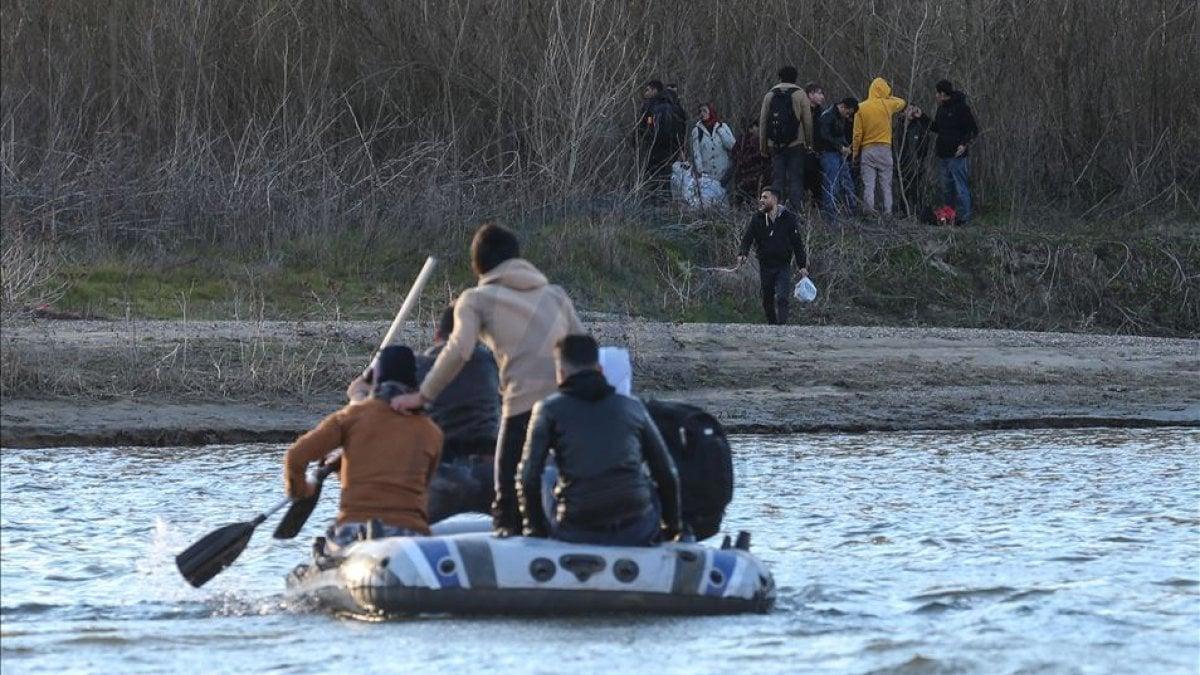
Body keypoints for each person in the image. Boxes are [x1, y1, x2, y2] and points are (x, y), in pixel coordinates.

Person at [390, 223, 585, 536]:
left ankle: (513, 531)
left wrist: (422, 396)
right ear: (519, 259)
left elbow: (458, 350)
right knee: (553, 480)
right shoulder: (556, 295)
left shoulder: (476, 299)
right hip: (568, 406)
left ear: (476, 265)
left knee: (507, 488)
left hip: (522, 407)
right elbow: (583, 349)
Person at [517, 335, 682, 546]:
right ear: (600, 370)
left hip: (576, 529)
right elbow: (667, 473)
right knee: (642, 478)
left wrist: (535, 532)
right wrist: (673, 529)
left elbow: (528, 477)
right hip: (638, 529)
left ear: (560, 374)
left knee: (548, 473)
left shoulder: (548, 410)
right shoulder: (633, 407)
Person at [285, 345, 442, 548]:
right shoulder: (431, 432)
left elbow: (295, 457)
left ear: (374, 378)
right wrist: (344, 462)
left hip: (354, 528)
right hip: (411, 533)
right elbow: (420, 485)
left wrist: (301, 491)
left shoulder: (351, 418)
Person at [418, 304, 501, 521]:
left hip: (441, 475)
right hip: (490, 472)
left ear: (437, 334)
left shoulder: (419, 366)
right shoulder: (491, 364)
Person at [737, 187, 809, 325]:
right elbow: (747, 238)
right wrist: (742, 253)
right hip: (765, 265)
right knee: (767, 299)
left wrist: (802, 265)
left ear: (774, 199)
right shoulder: (757, 219)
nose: (761, 200)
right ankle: (772, 325)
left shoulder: (788, 218)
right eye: (761, 197)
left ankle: (782, 327)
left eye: (765, 197)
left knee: (782, 297)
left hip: (783, 265)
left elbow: (797, 243)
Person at [758, 66, 814, 209]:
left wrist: (763, 147)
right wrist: (809, 143)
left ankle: (775, 210)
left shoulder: (769, 95)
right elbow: (808, 121)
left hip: (775, 144)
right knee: (795, 179)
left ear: (780, 77)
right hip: (796, 143)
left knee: (777, 179)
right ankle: (795, 213)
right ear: (795, 77)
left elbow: (763, 122)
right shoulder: (800, 94)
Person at [851, 77, 906, 219]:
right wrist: (887, 96)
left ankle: (869, 213)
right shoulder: (887, 105)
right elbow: (902, 102)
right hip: (885, 149)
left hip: (868, 150)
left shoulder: (861, 107)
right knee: (886, 185)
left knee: (869, 185)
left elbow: (857, 134)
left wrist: (855, 153)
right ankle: (888, 213)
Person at [931, 79, 979, 225]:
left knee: (960, 187)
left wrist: (964, 144)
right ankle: (949, 216)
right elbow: (936, 128)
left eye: (938, 94)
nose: (936, 96)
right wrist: (922, 117)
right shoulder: (941, 109)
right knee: (947, 188)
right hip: (943, 154)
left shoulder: (962, 108)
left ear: (944, 94)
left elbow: (972, 130)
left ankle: (965, 217)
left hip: (957, 156)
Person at [635, 80, 687, 199]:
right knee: (667, 177)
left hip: (656, 147)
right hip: (672, 148)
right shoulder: (676, 108)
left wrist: (644, 138)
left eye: (648, 90)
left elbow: (648, 125)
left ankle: (654, 204)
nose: (645, 93)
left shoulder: (653, 107)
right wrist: (681, 148)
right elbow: (682, 129)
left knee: (654, 177)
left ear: (655, 90)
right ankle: (665, 204)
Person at [816, 97, 859, 225]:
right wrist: (840, 147)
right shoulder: (827, 116)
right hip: (828, 154)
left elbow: (840, 135)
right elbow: (824, 136)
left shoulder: (840, 118)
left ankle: (852, 212)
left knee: (847, 182)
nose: (848, 116)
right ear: (843, 107)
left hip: (839, 154)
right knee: (831, 184)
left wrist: (846, 147)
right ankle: (830, 218)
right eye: (848, 112)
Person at [896, 105, 933, 218]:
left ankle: (918, 213)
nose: (911, 112)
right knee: (903, 190)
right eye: (909, 109)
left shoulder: (919, 127)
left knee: (916, 190)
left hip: (915, 165)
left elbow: (925, 143)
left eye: (913, 109)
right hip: (901, 164)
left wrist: (919, 160)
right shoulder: (898, 128)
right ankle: (902, 213)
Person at [689, 102, 736, 186]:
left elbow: (732, 146)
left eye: (704, 111)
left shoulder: (722, 127)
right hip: (707, 176)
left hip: (724, 174)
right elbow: (696, 153)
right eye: (700, 111)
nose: (702, 114)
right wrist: (700, 172)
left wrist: (720, 131)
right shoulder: (697, 130)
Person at [732, 118, 771, 206]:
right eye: (755, 127)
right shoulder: (743, 141)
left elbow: (765, 158)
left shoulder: (762, 140)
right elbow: (735, 154)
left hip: (758, 176)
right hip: (746, 175)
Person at [803, 82, 827, 207]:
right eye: (819, 93)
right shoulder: (800, 111)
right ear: (810, 94)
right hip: (801, 154)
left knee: (817, 185)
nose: (822, 97)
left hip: (817, 155)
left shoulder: (821, 113)